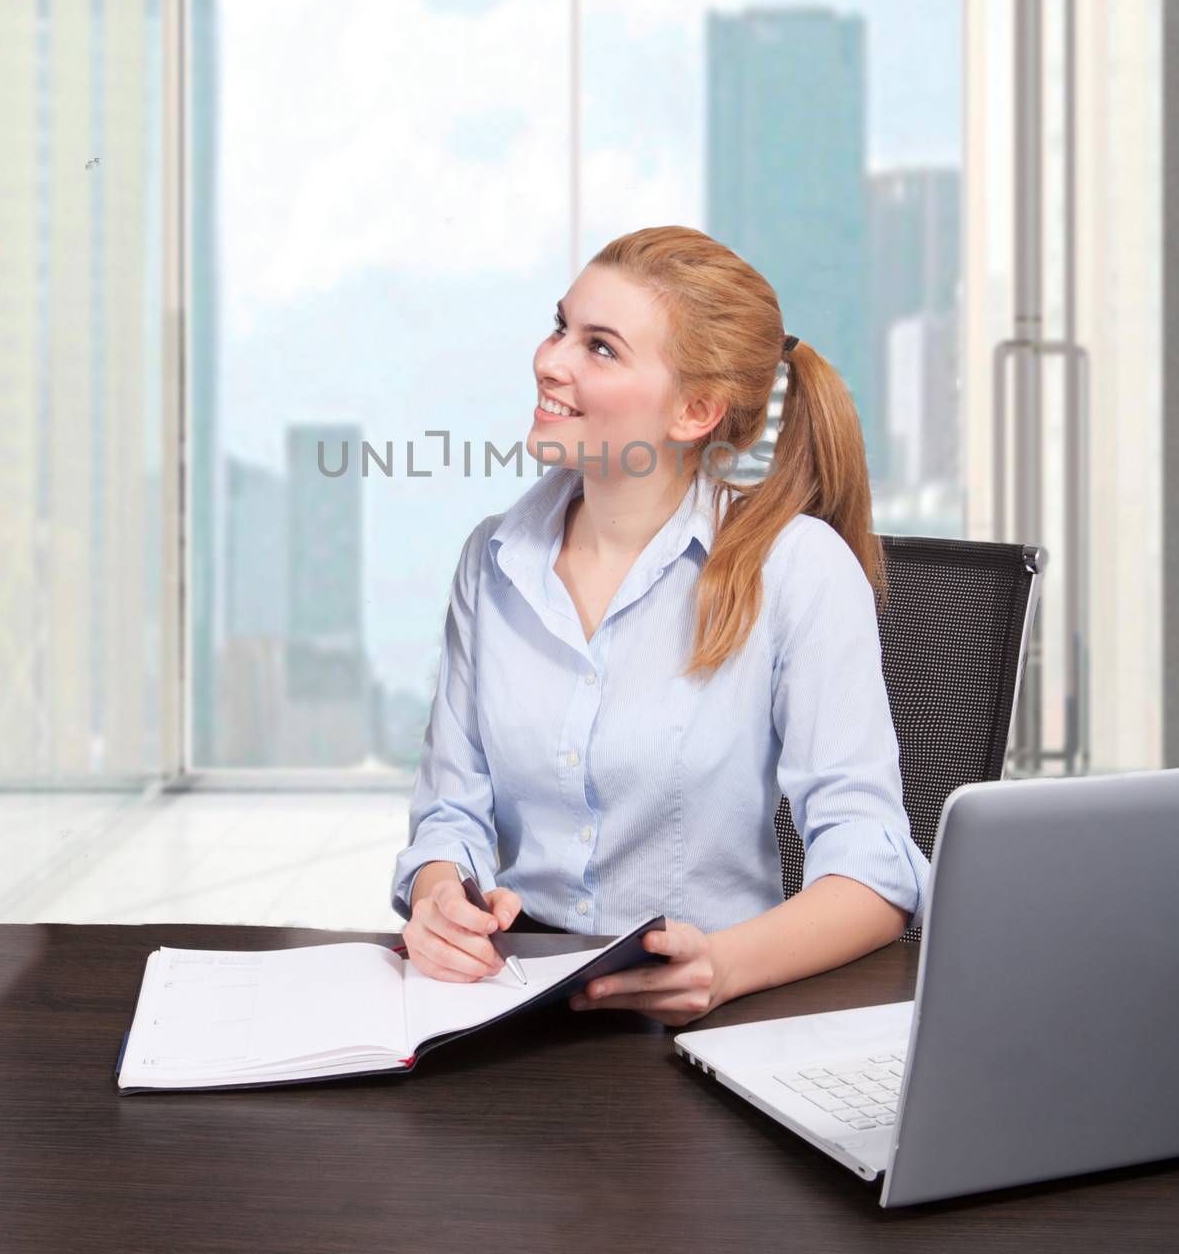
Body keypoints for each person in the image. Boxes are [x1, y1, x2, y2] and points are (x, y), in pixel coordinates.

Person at [392, 225, 929, 1027]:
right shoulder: (493, 560)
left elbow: (874, 875)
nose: (550, 359)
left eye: (600, 348)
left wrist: (720, 967)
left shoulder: (794, 569)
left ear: (695, 410)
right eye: (560, 326)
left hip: (712, 1014)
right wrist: (440, 902)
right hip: (512, 1006)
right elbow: (451, 812)